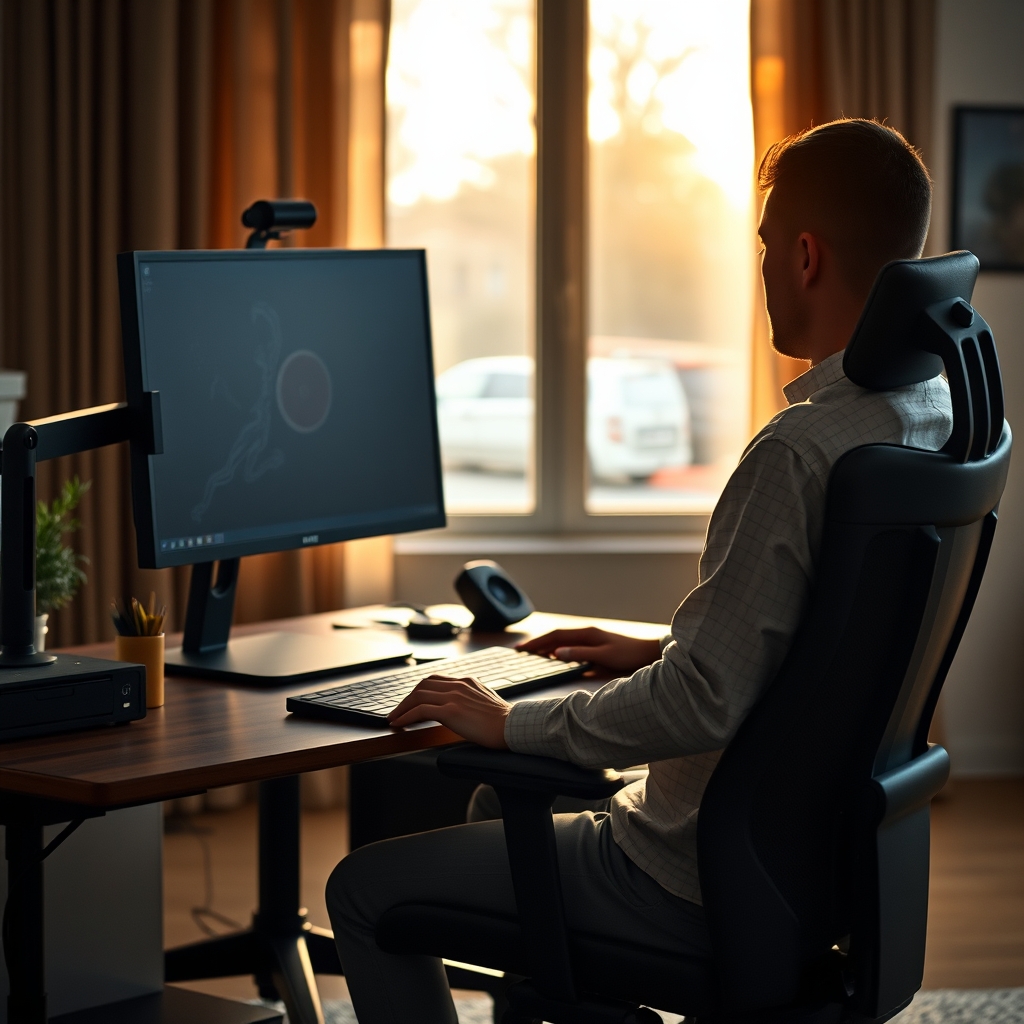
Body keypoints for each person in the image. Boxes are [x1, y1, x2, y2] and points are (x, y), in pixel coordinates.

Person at [326, 118, 949, 1024]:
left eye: (769, 246)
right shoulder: (929, 419)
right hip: (814, 863)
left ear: (807, 256)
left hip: (683, 874)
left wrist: (512, 723)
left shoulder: (800, 452)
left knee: (364, 890)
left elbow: (698, 703)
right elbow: (826, 652)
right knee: (498, 826)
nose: (764, 268)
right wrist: (657, 645)